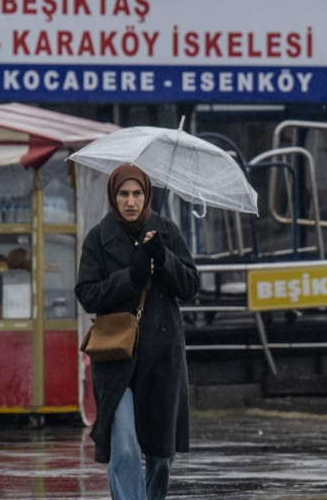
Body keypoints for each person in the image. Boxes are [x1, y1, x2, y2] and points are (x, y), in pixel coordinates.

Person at [75, 164, 201, 500]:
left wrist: (164, 258)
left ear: (147, 195)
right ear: (113, 197)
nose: (130, 201)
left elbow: (190, 286)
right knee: (126, 447)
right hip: (116, 358)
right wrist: (128, 277)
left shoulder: (167, 232)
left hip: (162, 357)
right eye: (123, 194)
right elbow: (87, 294)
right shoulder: (98, 239)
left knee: (161, 456)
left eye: (137, 194)